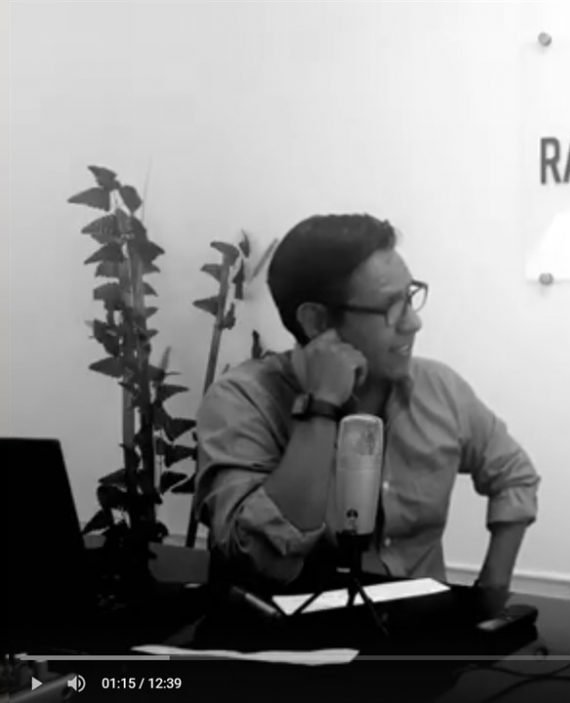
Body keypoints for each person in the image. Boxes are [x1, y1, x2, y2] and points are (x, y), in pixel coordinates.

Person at [194, 214, 540, 593]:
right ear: (317, 321)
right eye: (391, 306)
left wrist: (492, 587)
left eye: (410, 297)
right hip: (296, 626)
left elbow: (514, 474)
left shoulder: (438, 388)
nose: (412, 323)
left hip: (418, 624)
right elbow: (261, 560)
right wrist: (321, 406)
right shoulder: (242, 401)